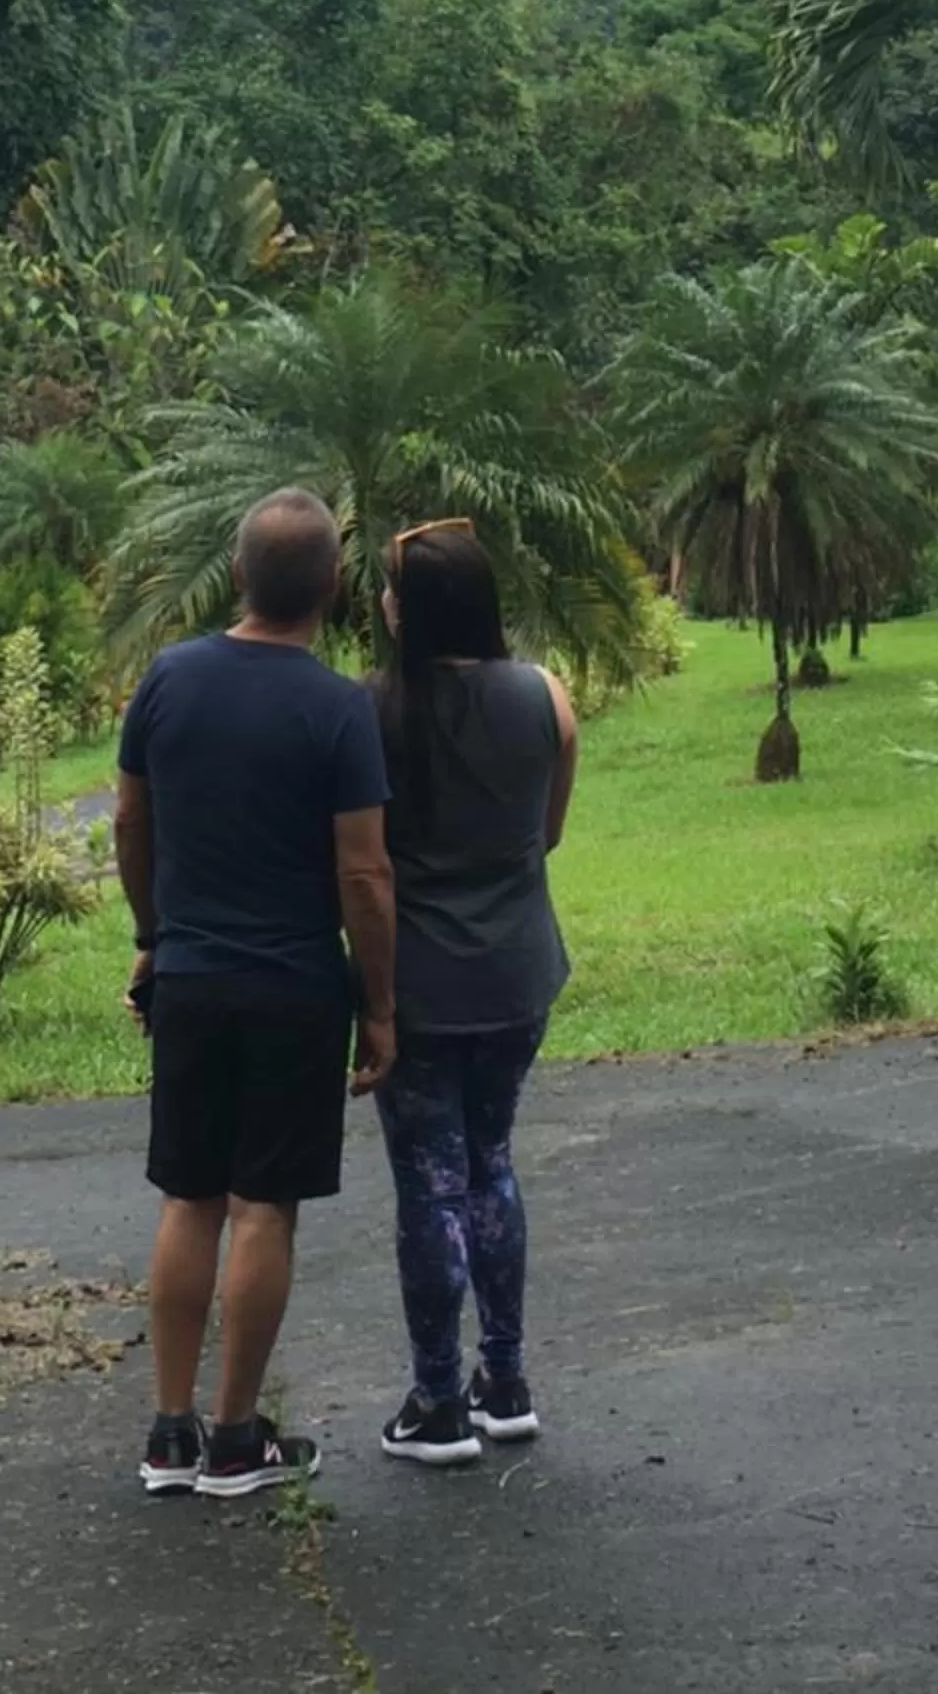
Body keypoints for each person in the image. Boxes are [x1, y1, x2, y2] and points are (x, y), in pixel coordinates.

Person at [114, 487, 397, 1500]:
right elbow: (364, 875)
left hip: (188, 979)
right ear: (332, 584)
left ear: (237, 574)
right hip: (292, 990)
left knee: (187, 1197)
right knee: (262, 1208)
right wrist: (378, 1006)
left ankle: (168, 1432)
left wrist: (155, 936)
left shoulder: (168, 679)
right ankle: (238, 1442)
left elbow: (130, 824)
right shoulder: (337, 708)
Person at [366, 520, 579, 1467]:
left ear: (407, 611)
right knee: (493, 1163)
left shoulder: (372, 711)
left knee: (429, 1184)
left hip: (417, 983)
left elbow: (357, 857)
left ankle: (437, 1400)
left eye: (388, 589)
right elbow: (550, 834)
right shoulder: (546, 695)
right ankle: (507, 1380)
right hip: (520, 970)